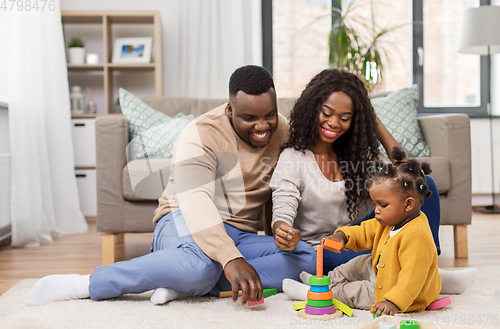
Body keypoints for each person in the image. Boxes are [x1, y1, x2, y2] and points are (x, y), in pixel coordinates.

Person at [28, 65, 316, 306]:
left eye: (269, 115)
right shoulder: (200, 133)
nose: (262, 126)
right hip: (183, 221)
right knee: (201, 265)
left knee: (305, 257)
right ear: (230, 110)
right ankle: (89, 283)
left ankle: (182, 282)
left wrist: (279, 229)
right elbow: (196, 204)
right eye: (249, 118)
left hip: (240, 232)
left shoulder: (282, 129)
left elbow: (283, 184)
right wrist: (230, 260)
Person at [271, 68, 441, 271]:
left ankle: (426, 265)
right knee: (337, 258)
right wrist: (283, 231)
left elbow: (408, 176)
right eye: (326, 113)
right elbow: (282, 212)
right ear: (312, 109)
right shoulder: (293, 158)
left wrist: (372, 119)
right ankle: (404, 268)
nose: (333, 123)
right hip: (322, 249)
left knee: (424, 186)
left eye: (345, 118)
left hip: (352, 236)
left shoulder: (355, 155)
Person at [318, 147, 441, 315]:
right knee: (352, 265)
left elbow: (411, 279)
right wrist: (342, 236)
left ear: (408, 204)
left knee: (352, 291)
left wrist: (392, 301)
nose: (376, 210)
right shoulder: (389, 221)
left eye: (382, 205)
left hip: (389, 289)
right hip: (379, 267)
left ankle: (323, 294)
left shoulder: (417, 236)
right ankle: (321, 283)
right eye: (375, 204)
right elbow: (363, 231)